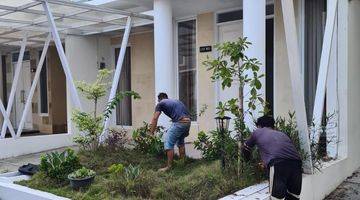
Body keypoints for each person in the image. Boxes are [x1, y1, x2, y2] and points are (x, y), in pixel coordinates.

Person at [242, 115, 302, 200]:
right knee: (293, 196)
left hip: (278, 165)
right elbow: (282, 151)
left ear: (259, 126)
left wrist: (248, 162)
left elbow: (246, 148)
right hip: (297, 163)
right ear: (273, 126)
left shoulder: (257, 132)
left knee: (276, 198)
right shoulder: (282, 134)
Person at [149, 93, 191, 171]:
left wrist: (151, 132)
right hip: (188, 122)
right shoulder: (176, 101)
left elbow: (155, 118)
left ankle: (169, 167)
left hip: (180, 122)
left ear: (159, 99)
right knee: (180, 142)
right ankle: (183, 163)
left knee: (168, 142)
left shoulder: (160, 103)